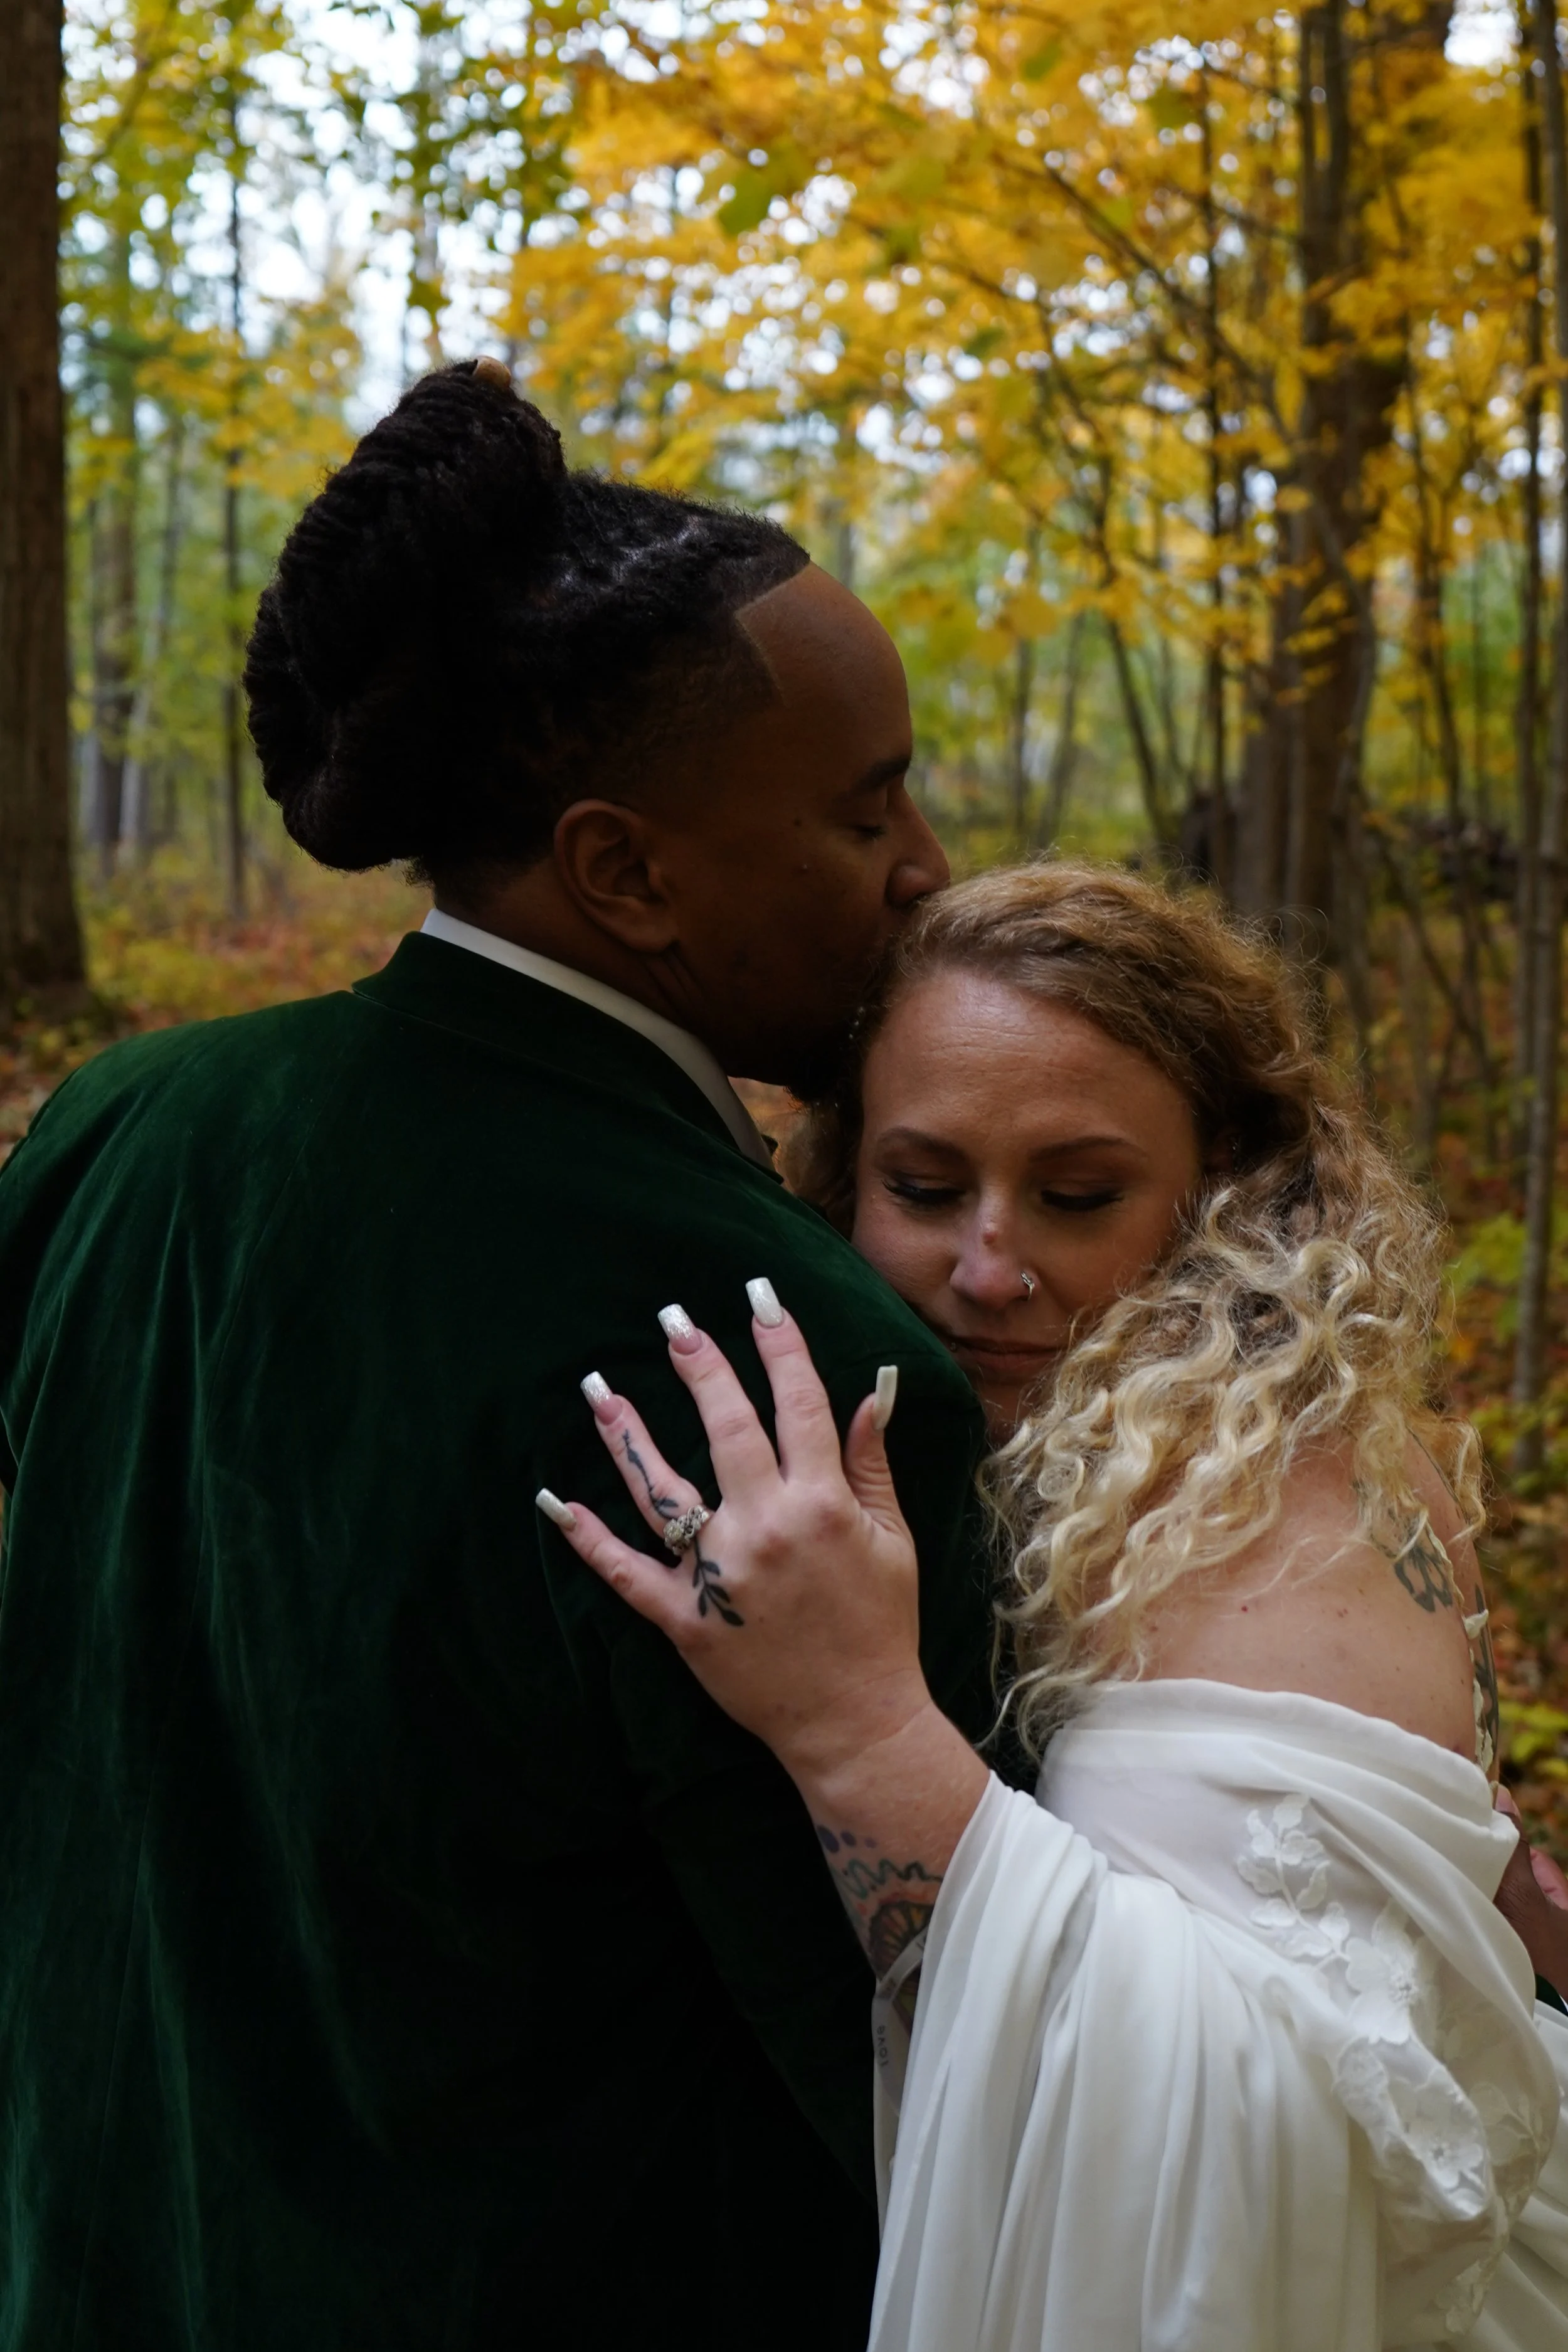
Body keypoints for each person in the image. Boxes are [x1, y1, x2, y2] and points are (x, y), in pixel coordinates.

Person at [0, 363, 999, 2351]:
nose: (926, 866)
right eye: (862, 805)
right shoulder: (796, 1361)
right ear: (624, 870)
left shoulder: (121, 1126)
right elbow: (933, 2084)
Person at [544, 862, 1568, 2349]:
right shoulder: (1188, 1430)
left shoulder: (1232, 1500)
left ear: (1221, 1184)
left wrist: (855, 1728)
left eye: (1076, 1196)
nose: (986, 1267)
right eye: (922, 1186)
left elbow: (1287, 2133)